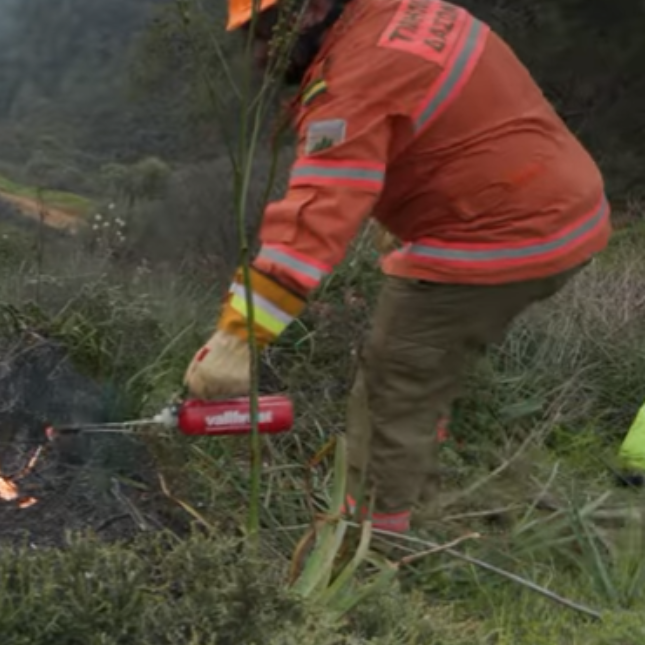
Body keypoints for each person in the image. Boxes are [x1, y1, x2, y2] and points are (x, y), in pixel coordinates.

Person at [182, 0, 612, 533]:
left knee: (393, 382)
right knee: (423, 369)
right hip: (562, 205)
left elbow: (315, 214)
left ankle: (369, 553)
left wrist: (238, 338)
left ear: (312, 10)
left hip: (498, 236)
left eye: (267, 31)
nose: (261, 53)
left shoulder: (356, 79)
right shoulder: (407, 13)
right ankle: (419, 479)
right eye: (251, 38)